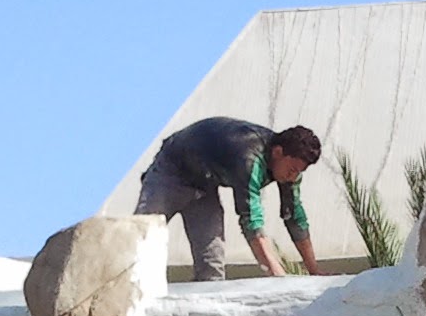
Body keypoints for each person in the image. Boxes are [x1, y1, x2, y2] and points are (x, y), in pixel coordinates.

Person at [135, 117, 324, 282]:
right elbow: (252, 222)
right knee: (140, 237)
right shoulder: (249, 159)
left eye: (299, 172)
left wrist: (314, 271)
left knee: (212, 264)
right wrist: (278, 277)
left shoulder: (288, 168)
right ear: (278, 152)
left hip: (204, 184)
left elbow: (295, 217)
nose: (293, 177)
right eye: (292, 170)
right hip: (171, 172)